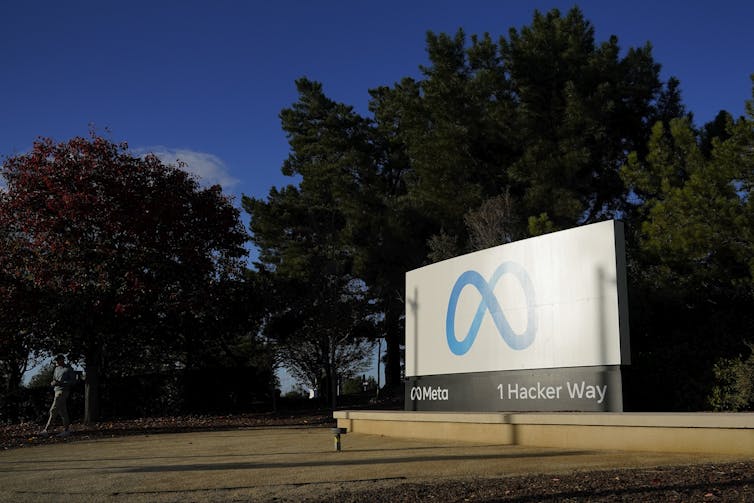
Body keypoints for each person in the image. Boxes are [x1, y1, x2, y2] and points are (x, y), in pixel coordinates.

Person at [41, 354, 75, 437]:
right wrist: (53, 383)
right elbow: (54, 380)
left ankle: (46, 430)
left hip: (63, 392)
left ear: (62, 360)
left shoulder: (68, 369)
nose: (56, 361)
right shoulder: (56, 369)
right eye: (55, 360)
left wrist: (61, 383)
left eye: (57, 360)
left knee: (53, 409)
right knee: (63, 412)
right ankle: (67, 430)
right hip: (56, 391)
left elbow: (73, 381)